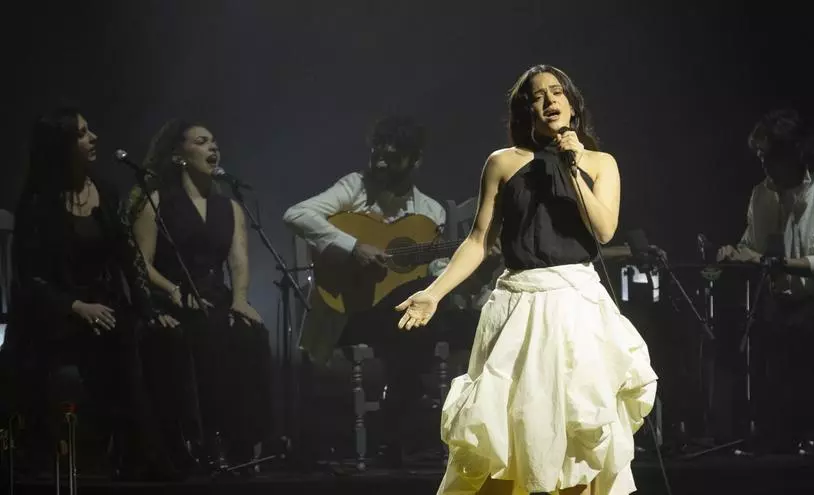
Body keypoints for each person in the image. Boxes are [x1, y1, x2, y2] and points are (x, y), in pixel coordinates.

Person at [394, 65, 657, 495]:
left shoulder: (599, 163)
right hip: (520, 304)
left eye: (557, 92)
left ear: (572, 104)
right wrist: (433, 293)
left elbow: (605, 230)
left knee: (578, 432)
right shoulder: (502, 162)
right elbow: (479, 240)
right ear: (526, 109)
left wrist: (573, 166)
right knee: (511, 430)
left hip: (577, 305)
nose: (550, 100)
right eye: (538, 96)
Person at [284, 115, 470, 465]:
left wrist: (461, 268)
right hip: (351, 311)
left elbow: (433, 270)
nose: (381, 161)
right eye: (377, 152)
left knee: (423, 313)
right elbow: (297, 214)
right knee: (423, 324)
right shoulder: (354, 187)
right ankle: (397, 430)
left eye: (393, 155)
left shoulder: (430, 212)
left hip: (400, 317)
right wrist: (353, 246)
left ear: (414, 161)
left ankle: (402, 434)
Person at [5, 106, 178, 480]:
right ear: (63, 145)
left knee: (152, 336)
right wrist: (75, 306)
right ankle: (131, 457)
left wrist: (148, 308)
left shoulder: (104, 189)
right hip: (55, 313)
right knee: (117, 344)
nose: (94, 137)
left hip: (104, 305)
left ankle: (153, 452)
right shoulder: (39, 204)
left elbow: (128, 255)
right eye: (83, 133)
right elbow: (29, 279)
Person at [716, 108, 814, 454]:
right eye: (761, 157)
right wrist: (734, 253)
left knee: (803, 328)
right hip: (783, 299)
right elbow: (752, 245)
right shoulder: (763, 194)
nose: (765, 166)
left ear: (796, 154)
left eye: (771, 157)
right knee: (753, 330)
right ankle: (771, 431)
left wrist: (765, 260)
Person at [130, 119, 273, 469]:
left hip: (216, 294)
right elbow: (140, 262)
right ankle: (205, 437)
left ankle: (247, 440)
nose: (213, 147)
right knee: (208, 332)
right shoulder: (158, 201)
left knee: (253, 332)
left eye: (214, 141)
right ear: (179, 154)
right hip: (172, 294)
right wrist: (173, 289)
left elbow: (239, 262)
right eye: (201, 141)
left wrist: (240, 299)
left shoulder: (231, 208)